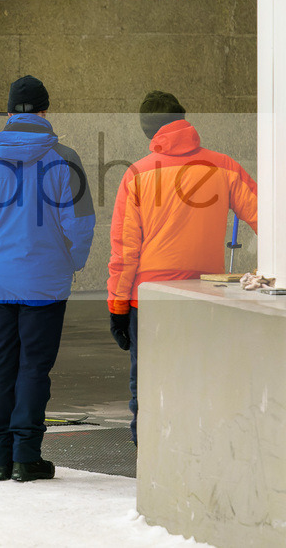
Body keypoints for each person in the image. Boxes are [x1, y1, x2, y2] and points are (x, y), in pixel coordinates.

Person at [0, 75, 95, 482]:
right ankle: (25, 457)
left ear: (11, 111)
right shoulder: (65, 159)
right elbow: (81, 226)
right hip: (47, 283)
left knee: (1, 361)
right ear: (45, 111)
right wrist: (72, 263)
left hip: (1, 280)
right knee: (34, 367)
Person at [107, 90, 257, 444]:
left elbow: (125, 251)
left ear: (148, 132)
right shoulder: (224, 166)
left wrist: (116, 306)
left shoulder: (137, 174)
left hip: (149, 301)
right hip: (204, 297)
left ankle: (149, 456)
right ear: (184, 121)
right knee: (201, 377)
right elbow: (268, 217)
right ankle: (196, 451)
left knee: (147, 382)